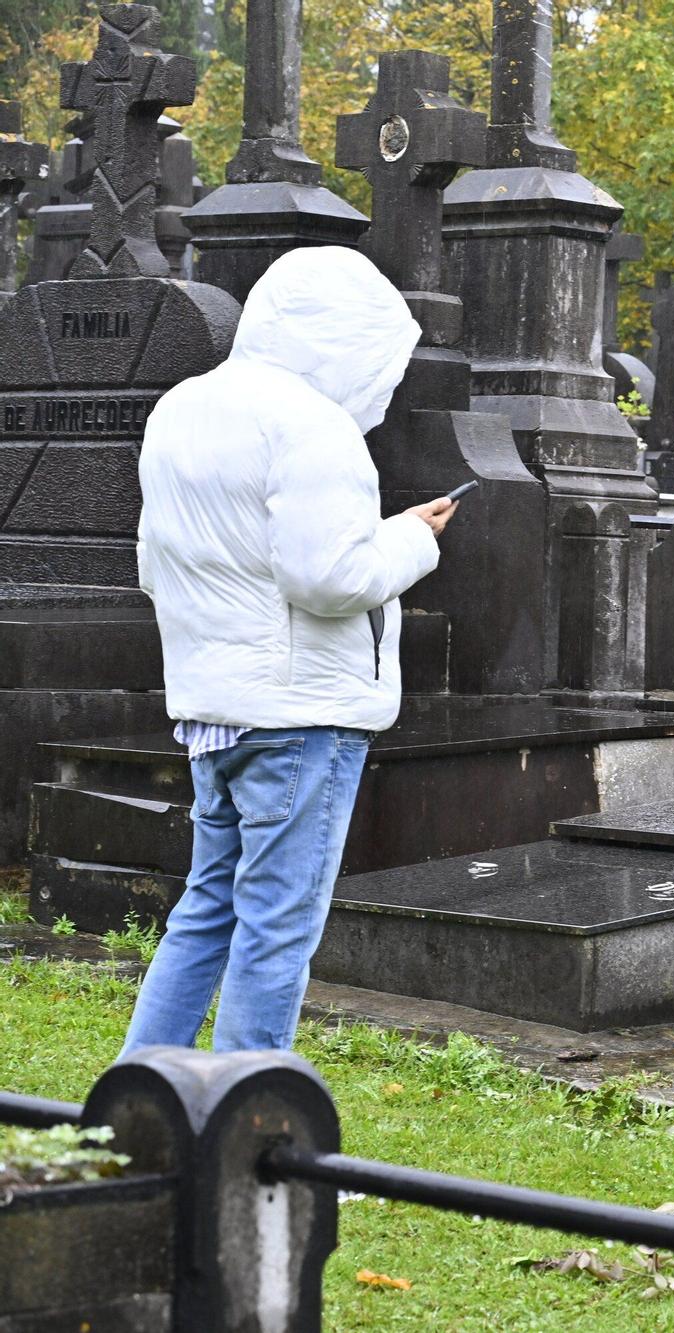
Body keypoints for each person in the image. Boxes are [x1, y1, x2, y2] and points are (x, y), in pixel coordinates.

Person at [120, 247, 459, 1055]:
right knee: (277, 924)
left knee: (207, 908)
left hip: (215, 709)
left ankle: (138, 1091)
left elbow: (156, 562)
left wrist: (383, 532)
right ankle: (246, 1106)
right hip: (301, 713)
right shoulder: (314, 423)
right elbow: (329, 578)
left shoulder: (182, 408)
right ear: (345, 341)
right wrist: (413, 540)